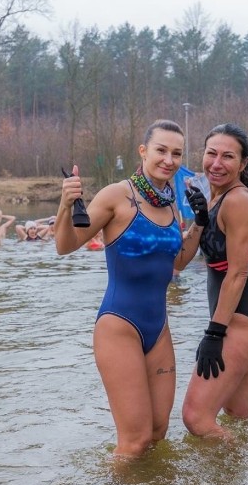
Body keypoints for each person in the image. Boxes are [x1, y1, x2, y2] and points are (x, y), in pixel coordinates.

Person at [55, 119, 193, 458]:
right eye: (161, 150)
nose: (169, 160)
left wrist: (200, 224)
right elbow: (65, 245)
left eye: (177, 153)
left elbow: (178, 262)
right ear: (143, 151)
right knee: (134, 442)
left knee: (159, 432)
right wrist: (64, 203)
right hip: (120, 325)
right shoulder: (117, 196)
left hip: (158, 328)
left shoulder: (171, 203)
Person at [174, 123, 248, 440]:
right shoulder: (215, 199)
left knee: (196, 418)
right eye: (211, 154)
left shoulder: (237, 201)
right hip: (235, 322)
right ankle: (245, 483)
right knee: (238, 418)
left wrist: (214, 334)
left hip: (239, 323)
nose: (216, 163)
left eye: (228, 156)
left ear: (243, 164)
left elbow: (238, 273)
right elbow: (179, 262)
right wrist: (199, 221)